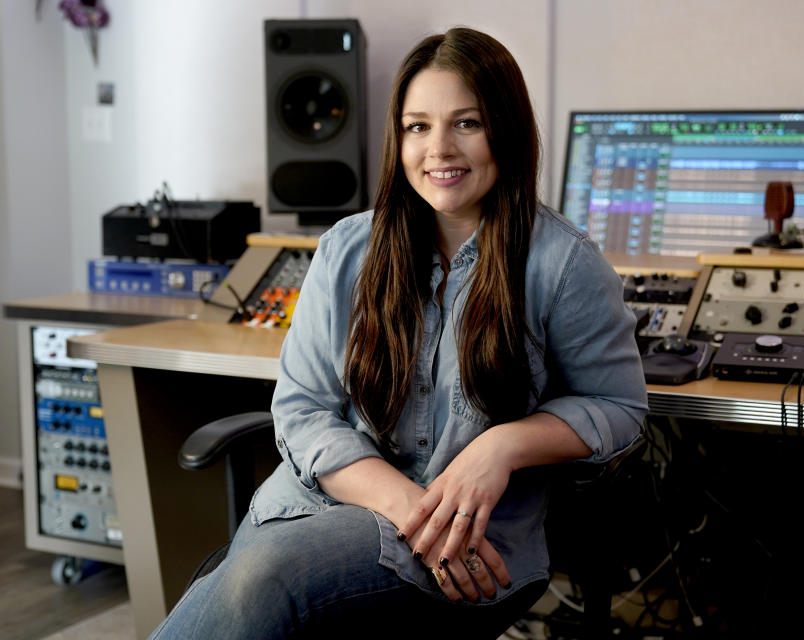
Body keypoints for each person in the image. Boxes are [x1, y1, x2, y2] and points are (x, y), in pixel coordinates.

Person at [149, 26, 647, 639]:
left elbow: (619, 406)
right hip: (322, 506)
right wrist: (411, 509)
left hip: (466, 545)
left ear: (507, 130)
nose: (440, 148)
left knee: (260, 579)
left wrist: (502, 446)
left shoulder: (563, 264)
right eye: (418, 126)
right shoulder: (345, 249)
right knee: (248, 581)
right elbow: (302, 409)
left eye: (467, 122)